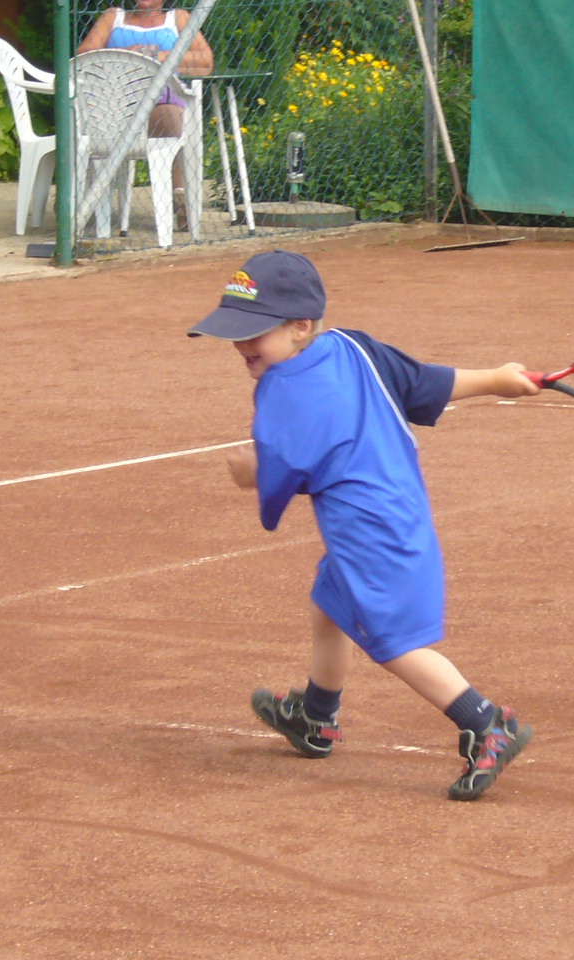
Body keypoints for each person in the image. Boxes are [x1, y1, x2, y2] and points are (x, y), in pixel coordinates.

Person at [187, 250, 541, 801]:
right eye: (235, 330)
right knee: (330, 606)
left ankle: (487, 722)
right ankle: (316, 716)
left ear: (300, 326)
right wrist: (495, 379)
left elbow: (287, 466)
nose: (239, 344)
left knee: (394, 644)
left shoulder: (283, 389)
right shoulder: (354, 348)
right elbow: (424, 383)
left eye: (253, 331)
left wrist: (249, 472)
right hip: (398, 514)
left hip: (369, 533)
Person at [77, 1, 215, 225]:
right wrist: (127, 53)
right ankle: (85, 195)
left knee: (171, 113)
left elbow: (205, 61)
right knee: (93, 115)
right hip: (114, 104)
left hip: (160, 100)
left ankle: (180, 196)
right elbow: (84, 56)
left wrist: (153, 54)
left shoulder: (177, 18)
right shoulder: (113, 17)